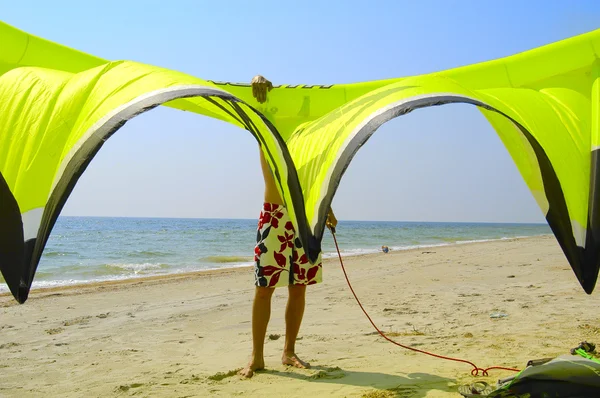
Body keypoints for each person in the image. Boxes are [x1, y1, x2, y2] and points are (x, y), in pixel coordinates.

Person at [239, 75, 337, 378]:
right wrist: (258, 83)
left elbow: (313, 182)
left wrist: (327, 208)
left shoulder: (309, 146)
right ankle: (257, 357)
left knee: (298, 289)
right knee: (264, 288)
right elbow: (257, 106)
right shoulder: (268, 136)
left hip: (305, 216)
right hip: (274, 216)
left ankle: (289, 351)